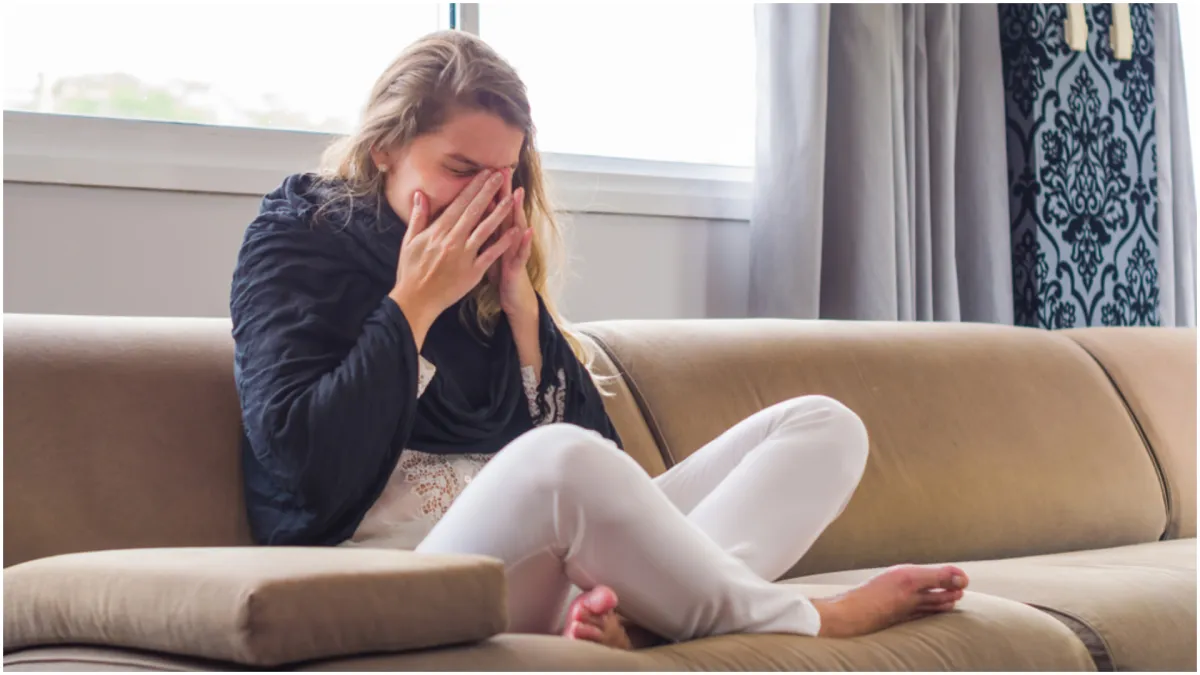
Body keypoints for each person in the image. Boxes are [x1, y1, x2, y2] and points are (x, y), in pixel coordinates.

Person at [230, 30, 969, 650]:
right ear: (385, 148)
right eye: (459, 170)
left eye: (501, 177)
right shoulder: (296, 238)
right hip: (410, 570)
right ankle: (806, 618)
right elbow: (305, 466)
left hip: (547, 564)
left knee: (823, 425)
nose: (482, 199)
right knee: (557, 460)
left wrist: (524, 315)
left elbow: (611, 470)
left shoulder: (495, 284)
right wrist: (414, 304)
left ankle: (646, 621)